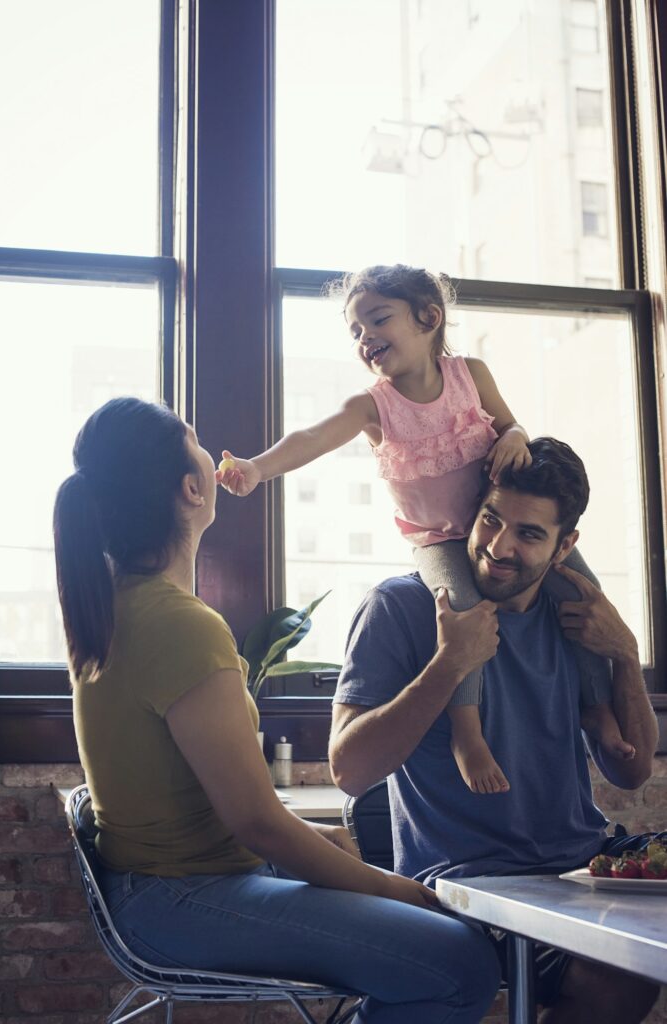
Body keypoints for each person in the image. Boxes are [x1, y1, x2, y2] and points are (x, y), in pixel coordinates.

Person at [52, 396, 502, 1024]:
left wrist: (336, 852)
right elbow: (258, 824)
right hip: (178, 900)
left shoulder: (118, 608)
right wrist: (405, 893)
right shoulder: (178, 625)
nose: (214, 456)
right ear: (191, 488)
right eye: (198, 441)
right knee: (461, 963)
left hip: (170, 888)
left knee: (407, 927)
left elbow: (220, 817)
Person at [216, 263, 630, 795]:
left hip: (489, 526)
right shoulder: (373, 408)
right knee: (462, 613)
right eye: (355, 332)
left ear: (429, 318)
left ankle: (597, 708)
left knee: (587, 594)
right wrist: (255, 468)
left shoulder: (471, 375)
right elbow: (312, 437)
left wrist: (517, 437)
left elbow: (511, 424)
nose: (365, 338)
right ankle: (467, 733)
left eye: (378, 320)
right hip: (439, 540)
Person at [329, 437, 662, 1023]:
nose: (499, 546)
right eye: (490, 520)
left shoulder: (578, 622)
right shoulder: (400, 608)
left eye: (529, 534)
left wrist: (625, 653)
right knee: (617, 979)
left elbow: (630, 771)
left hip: (579, 867)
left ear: (566, 547)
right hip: (463, 886)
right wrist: (448, 665)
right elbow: (349, 770)